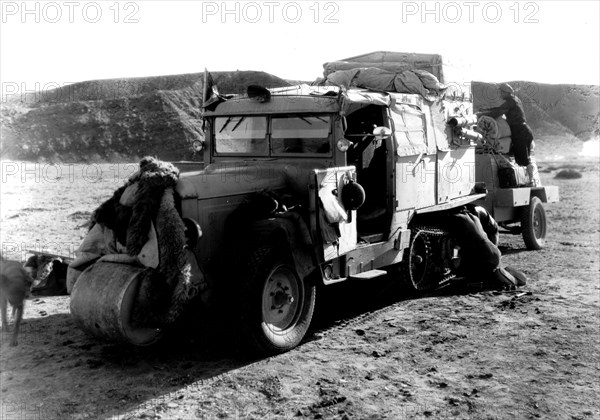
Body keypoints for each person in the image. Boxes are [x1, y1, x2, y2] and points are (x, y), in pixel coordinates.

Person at [477, 83, 533, 167]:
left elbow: (497, 112)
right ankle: (530, 178)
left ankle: (530, 179)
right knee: (524, 159)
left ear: (506, 92)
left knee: (523, 161)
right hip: (525, 130)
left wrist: (481, 115)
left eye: (501, 92)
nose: (500, 94)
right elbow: (499, 109)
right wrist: (485, 110)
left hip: (520, 133)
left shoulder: (510, 101)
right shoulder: (515, 99)